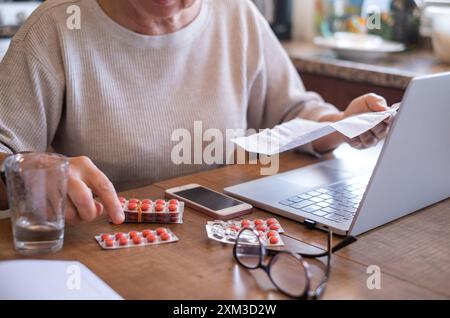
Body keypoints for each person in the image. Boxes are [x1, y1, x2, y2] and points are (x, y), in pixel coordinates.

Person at [0, 0, 392, 225]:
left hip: (219, 244)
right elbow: (5, 153)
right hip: (108, 250)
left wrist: (342, 125)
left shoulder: (236, 13)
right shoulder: (55, 26)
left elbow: (294, 112)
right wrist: (33, 172)